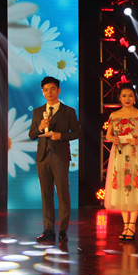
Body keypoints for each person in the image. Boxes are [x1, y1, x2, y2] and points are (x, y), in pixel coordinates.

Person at [28, 76, 82, 243]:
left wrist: (61, 136)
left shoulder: (68, 111)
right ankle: (48, 230)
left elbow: (77, 132)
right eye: (46, 90)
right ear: (42, 92)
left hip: (60, 156)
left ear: (58, 90)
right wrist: (40, 127)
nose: (49, 92)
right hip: (43, 157)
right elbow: (31, 135)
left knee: (63, 193)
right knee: (46, 194)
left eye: (52, 89)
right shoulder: (38, 112)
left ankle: (63, 230)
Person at [104, 83, 138, 241]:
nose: (127, 99)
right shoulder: (114, 116)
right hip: (119, 154)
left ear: (134, 98)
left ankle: (131, 225)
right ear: (119, 98)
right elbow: (108, 135)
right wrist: (113, 138)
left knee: (134, 186)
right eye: (124, 96)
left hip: (135, 153)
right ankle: (125, 225)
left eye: (130, 96)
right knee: (121, 187)